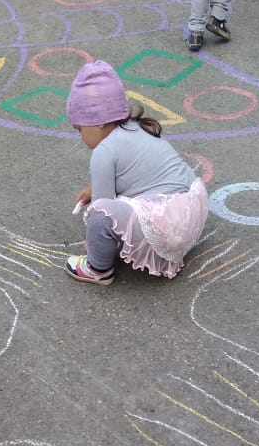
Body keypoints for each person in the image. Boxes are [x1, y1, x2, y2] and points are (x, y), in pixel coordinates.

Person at [64, 61, 208, 286]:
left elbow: (102, 206)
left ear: (100, 123)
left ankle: (97, 268)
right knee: (115, 206)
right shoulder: (136, 127)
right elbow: (137, 175)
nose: (80, 136)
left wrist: (93, 243)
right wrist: (96, 187)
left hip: (166, 228)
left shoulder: (103, 152)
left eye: (80, 129)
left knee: (99, 218)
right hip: (191, 212)